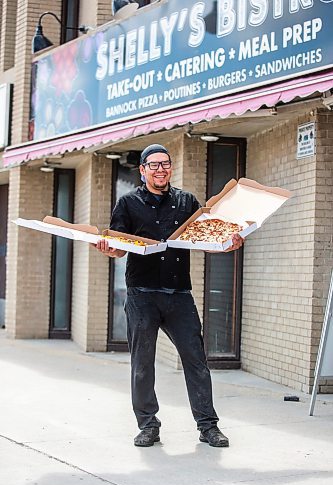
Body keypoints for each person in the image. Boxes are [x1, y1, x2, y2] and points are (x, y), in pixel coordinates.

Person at [96, 144, 243, 447]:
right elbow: (120, 243)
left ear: (170, 168)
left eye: (165, 164)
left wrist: (225, 243)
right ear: (142, 170)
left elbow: (203, 236)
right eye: (154, 165)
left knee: (196, 361)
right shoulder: (127, 203)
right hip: (142, 294)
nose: (160, 169)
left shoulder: (187, 201)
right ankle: (148, 425)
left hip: (179, 294)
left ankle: (208, 426)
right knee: (142, 363)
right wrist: (111, 250)